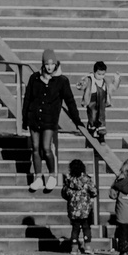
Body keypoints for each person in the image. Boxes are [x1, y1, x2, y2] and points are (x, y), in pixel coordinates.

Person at [21, 49, 82, 193]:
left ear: (56, 64)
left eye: (52, 64)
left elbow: (70, 101)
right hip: (34, 118)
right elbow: (28, 98)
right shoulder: (34, 78)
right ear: (43, 64)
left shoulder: (61, 81)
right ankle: (37, 177)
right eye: (47, 64)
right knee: (35, 148)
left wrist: (77, 121)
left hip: (50, 120)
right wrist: (25, 119)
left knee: (46, 148)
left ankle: (52, 175)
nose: (49, 67)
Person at [78, 61, 120, 142]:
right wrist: (81, 84)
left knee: (101, 116)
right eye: (98, 74)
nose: (101, 76)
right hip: (92, 99)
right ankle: (92, 128)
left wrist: (116, 79)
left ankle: (101, 133)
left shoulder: (105, 81)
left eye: (103, 74)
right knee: (93, 114)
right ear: (94, 72)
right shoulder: (89, 79)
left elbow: (113, 87)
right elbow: (81, 86)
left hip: (102, 100)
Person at [61, 158, 96, 254]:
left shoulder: (68, 181)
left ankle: (74, 248)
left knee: (75, 228)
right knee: (86, 227)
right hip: (85, 209)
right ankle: (87, 246)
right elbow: (94, 191)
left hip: (73, 208)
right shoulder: (87, 180)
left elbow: (64, 194)